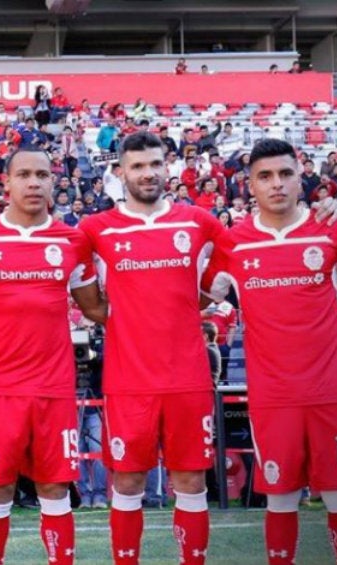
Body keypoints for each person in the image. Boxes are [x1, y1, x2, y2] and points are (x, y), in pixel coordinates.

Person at [202, 138, 337, 565]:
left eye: (285, 174)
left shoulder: (335, 229)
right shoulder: (234, 242)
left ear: (302, 178)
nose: (276, 184)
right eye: (265, 176)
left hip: (333, 391)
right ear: (250, 185)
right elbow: (199, 296)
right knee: (279, 499)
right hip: (273, 396)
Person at [0, 146, 105, 565]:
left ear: (54, 181)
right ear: (7, 182)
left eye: (42, 175)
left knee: (54, 489)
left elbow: (93, 307)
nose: (34, 182)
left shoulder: (72, 240)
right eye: (24, 175)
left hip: (53, 388)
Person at [77, 131, 225, 565]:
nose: (147, 173)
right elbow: (60, 269)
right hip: (128, 381)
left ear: (169, 168)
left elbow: (238, 255)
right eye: (137, 166)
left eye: (155, 164)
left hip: (187, 378)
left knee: (191, 483)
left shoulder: (198, 222)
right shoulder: (95, 229)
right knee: (126, 484)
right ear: (120, 172)